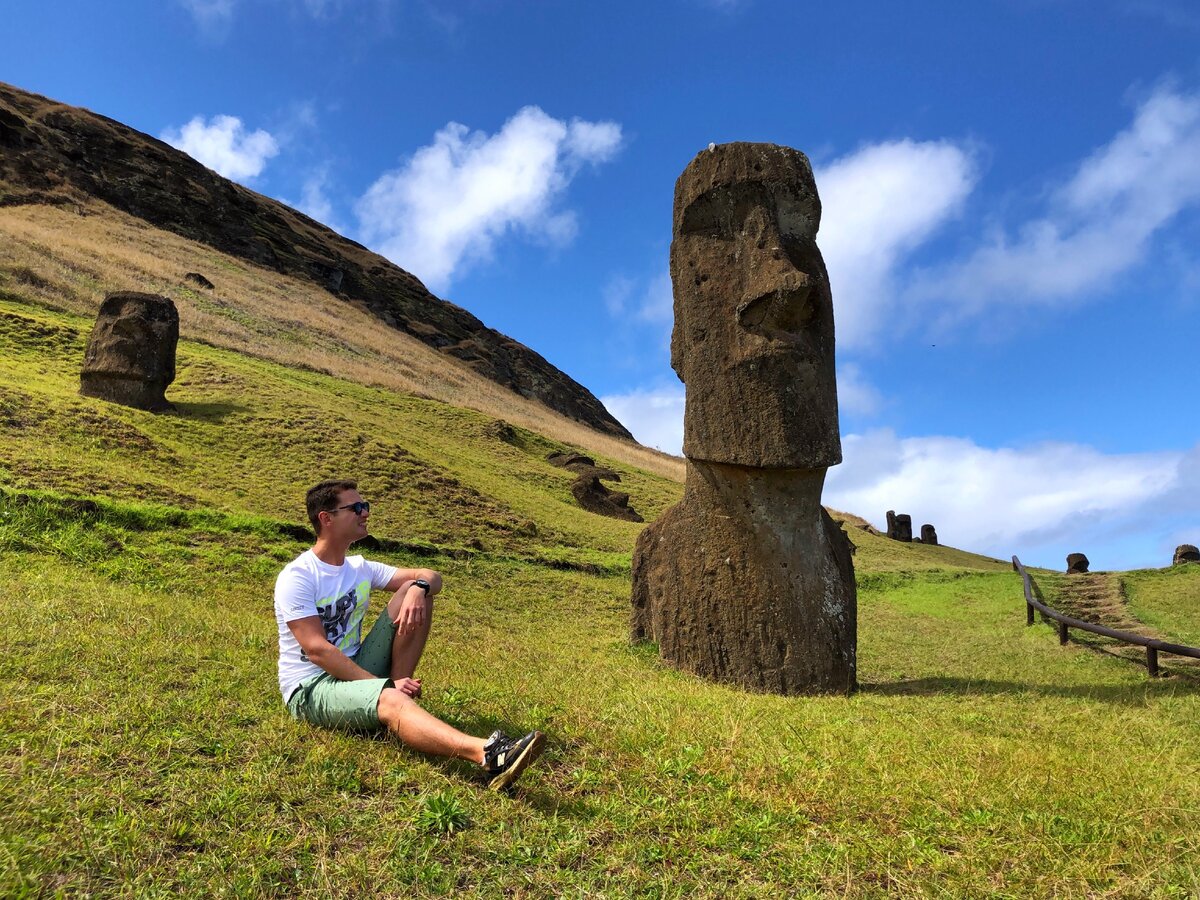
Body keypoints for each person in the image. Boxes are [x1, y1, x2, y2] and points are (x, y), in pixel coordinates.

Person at [274, 478, 545, 790]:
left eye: (366, 506)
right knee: (388, 698)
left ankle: (398, 698)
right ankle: (488, 756)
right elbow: (316, 650)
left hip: (354, 665)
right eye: (357, 507)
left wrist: (419, 588)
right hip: (310, 687)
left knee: (414, 590)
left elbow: (432, 576)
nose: (366, 513)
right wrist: (382, 686)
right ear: (327, 518)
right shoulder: (297, 577)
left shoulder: (359, 567)